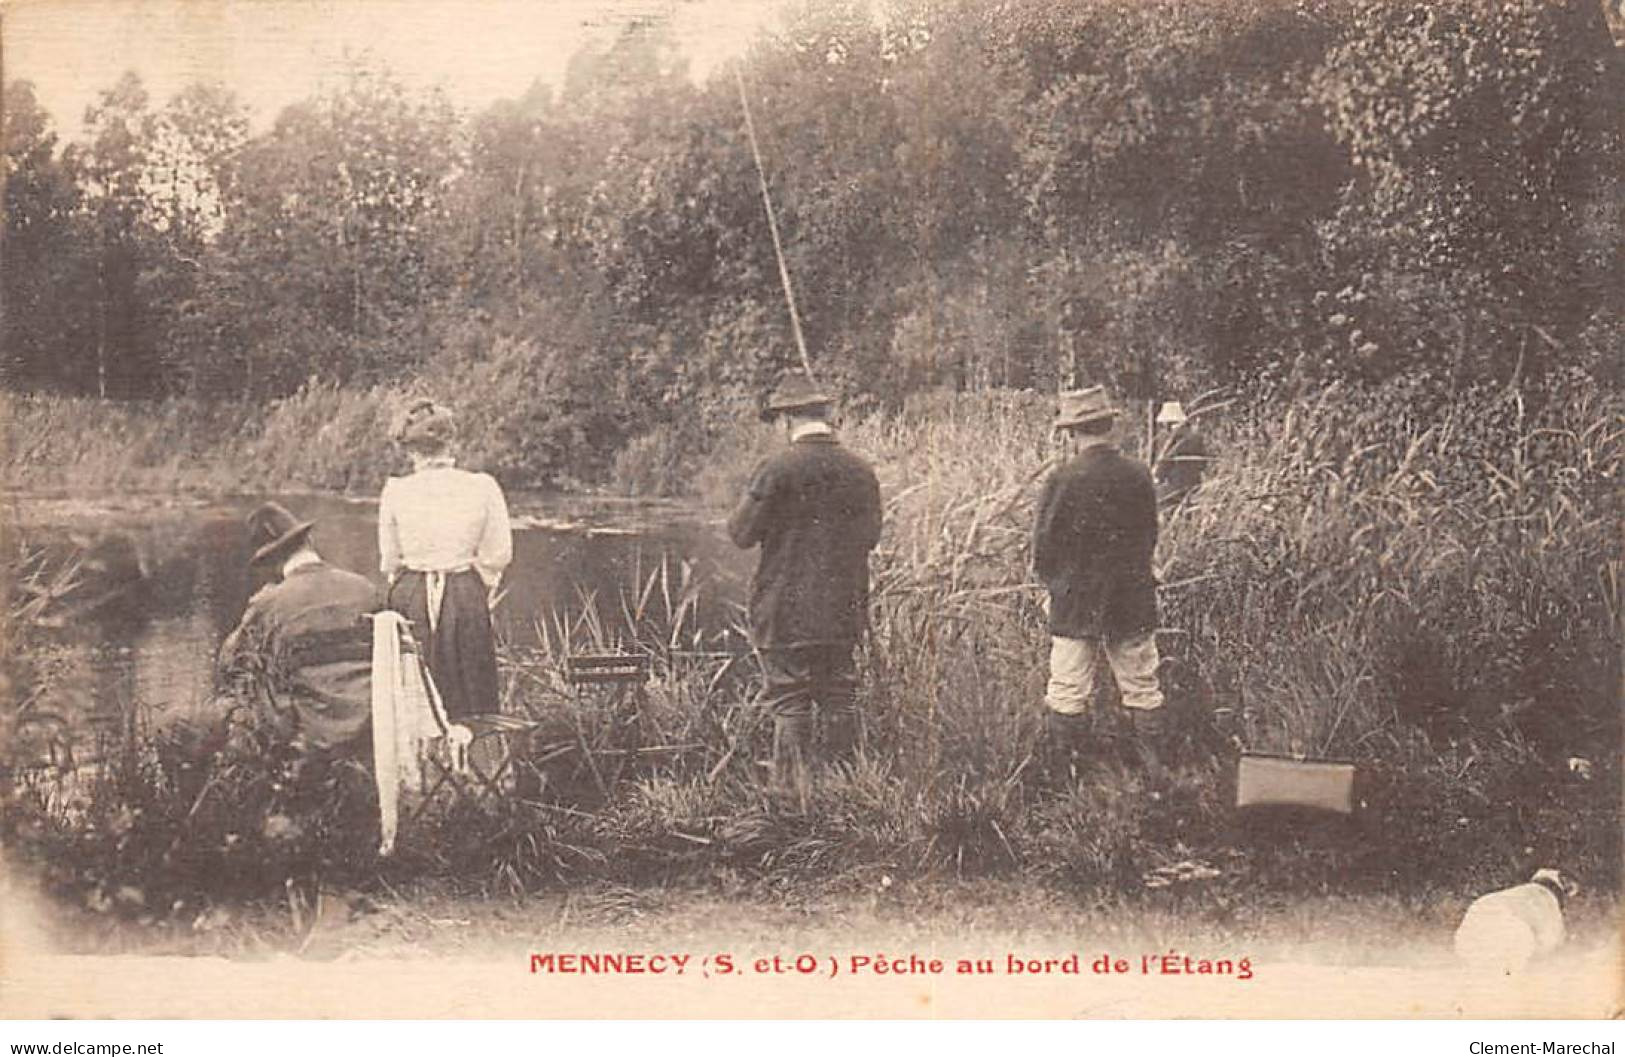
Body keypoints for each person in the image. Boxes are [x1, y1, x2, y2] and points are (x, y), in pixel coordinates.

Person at [727, 373, 882, 793]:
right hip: (843, 610)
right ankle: (846, 794)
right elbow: (871, 538)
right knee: (839, 698)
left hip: (785, 610)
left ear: (785, 420)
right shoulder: (861, 470)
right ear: (826, 416)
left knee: (790, 699)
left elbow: (740, 534)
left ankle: (789, 800)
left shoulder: (775, 469)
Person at [1032, 386, 1166, 780]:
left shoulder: (1062, 478)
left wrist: (1050, 587)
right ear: (1109, 426)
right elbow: (1149, 536)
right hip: (1131, 595)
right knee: (1143, 687)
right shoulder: (1139, 474)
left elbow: (1045, 544)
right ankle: (1153, 776)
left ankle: (1067, 779)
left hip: (1075, 599)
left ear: (1072, 432)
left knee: (1068, 688)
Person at [379, 399, 512, 721]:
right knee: (470, 688)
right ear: (450, 442)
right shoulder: (482, 486)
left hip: (411, 594)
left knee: (414, 686)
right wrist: (473, 585)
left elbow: (390, 560)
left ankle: (420, 760)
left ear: (410, 449)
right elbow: (498, 554)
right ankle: (474, 757)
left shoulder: (396, 491)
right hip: (463, 592)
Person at [217, 501, 377, 751]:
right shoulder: (364, 588)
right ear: (308, 543)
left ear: (272, 561)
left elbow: (232, 663)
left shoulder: (269, 603)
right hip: (372, 726)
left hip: (311, 735)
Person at [1152, 400, 1208, 507]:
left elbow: (1165, 463)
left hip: (1175, 487)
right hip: (1194, 486)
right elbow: (1203, 464)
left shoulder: (1173, 438)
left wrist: (1157, 477)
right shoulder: (1196, 438)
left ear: (1169, 422)